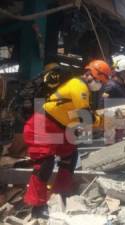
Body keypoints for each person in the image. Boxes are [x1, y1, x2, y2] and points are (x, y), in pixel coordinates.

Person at [23, 60, 111, 218]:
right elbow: (86, 118)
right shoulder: (79, 86)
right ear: (91, 75)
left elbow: (77, 115)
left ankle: (60, 193)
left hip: (59, 128)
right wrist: (106, 120)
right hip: (42, 124)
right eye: (100, 81)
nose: (100, 85)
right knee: (44, 165)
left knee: (70, 157)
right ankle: (37, 206)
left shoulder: (82, 89)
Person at [102, 58, 125, 144]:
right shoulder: (111, 86)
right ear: (122, 73)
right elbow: (103, 103)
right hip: (112, 122)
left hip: (120, 121)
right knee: (111, 146)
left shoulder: (122, 85)